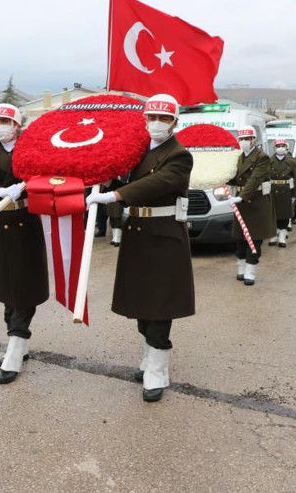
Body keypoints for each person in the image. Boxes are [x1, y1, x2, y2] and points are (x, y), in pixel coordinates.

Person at [86, 94, 194, 402]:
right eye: (152, 117)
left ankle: (157, 369)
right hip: (137, 233)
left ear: (175, 122)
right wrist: (106, 182)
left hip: (164, 235)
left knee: (160, 304)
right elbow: (128, 180)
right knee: (141, 303)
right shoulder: (137, 152)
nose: (156, 123)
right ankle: (148, 356)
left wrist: (116, 197)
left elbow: (158, 183)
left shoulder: (179, 155)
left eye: (163, 118)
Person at [0, 103, 49, 385]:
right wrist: (0, 190)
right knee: (6, 287)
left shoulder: (31, 147)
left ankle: (15, 346)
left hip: (26, 223)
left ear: (17, 125)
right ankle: (17, 339)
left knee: (24, 287)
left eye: (5, 120)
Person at [226, 126, 275, 286]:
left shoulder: (262, 157)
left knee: (254, 240)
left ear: (254, 139)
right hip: (241, 203)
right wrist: (222, 179)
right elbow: (234, 176)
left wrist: (241, 197)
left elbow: (255, 179)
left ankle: (250, 270)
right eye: (241, 139)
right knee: (239, 239)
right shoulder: (239, 157)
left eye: (247, 139)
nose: (244, 142)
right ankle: (241, 268)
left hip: (257, 203)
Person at [268, 139, 296, 248]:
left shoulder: (292, 161)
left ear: (286, 147)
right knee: (273, 213)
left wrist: (295, 194)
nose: (280, 148)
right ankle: (274, 234)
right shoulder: (268, 161)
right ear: (274, 148)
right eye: (278, 146)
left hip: (286, 190)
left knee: (285, 213)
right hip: (272, 189)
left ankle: (282, 234)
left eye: (282, 145)